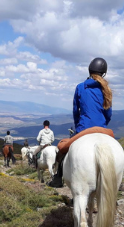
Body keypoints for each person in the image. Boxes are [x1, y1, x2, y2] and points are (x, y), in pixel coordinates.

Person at [48, 57, 112, 188]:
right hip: (102, 128)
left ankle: (58, 178)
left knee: (64, 150)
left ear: (89, 71)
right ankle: (118, 182)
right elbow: (108, 113)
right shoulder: (106, 89)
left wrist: (79, 126)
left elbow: (75, 111)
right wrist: (102, 124)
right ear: (104, 73)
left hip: (84, 128)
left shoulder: (80, 87)